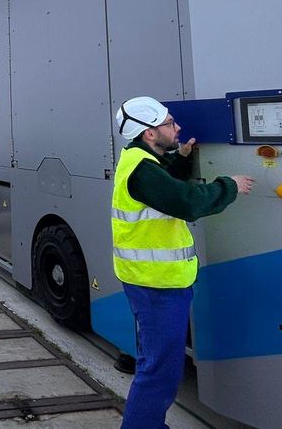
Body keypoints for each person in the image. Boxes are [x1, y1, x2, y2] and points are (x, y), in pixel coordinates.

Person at [112, 96, 254, 429]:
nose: (177, 127)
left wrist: (182, 157)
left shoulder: (140, 159)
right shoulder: (142, 171)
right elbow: (188, 202)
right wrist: (230, 185)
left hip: (153, 281)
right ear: (149, 133)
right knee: (159, 372)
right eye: (169, 123)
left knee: (154, 363)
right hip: (157, 287)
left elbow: (163, 187)